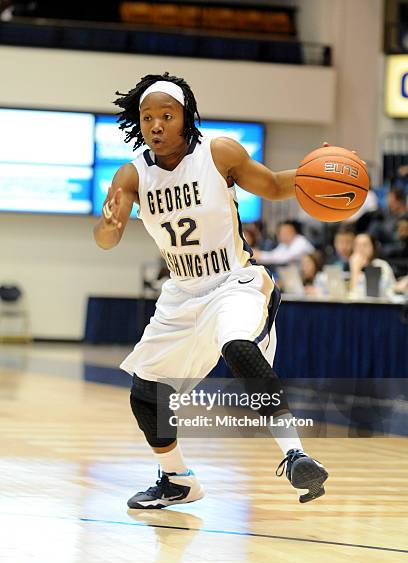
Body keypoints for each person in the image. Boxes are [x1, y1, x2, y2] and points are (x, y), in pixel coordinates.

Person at [94, 72, 328, 509]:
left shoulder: (218, 153)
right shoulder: (132, 175)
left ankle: (295, 453)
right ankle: (177, 480)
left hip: (233, 282)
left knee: (238, 346)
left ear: (186, 118)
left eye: (167, 115)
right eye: (148, 118)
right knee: (147, 393)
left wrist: (317, 175)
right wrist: (109, 224)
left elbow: (275, 185)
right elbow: (106, 240)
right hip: (182, 294)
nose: (157, 125)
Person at [348, 233, 396, 300]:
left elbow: (382, 293)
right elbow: (350, 295)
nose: (361, 249)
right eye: (357, 245)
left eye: (365, 245)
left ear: (373, 247)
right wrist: (355, 270)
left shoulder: (381, 265)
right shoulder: (350, 264)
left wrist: (356, 270)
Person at [368, 187, 407, 256]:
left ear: (399, 201)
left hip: (399, 244)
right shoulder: (389, 214)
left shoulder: (405, 217)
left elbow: (401, 238)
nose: (388, 204)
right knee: (375, 224)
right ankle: (368, 246)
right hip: (386, 242)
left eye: (391, 201)